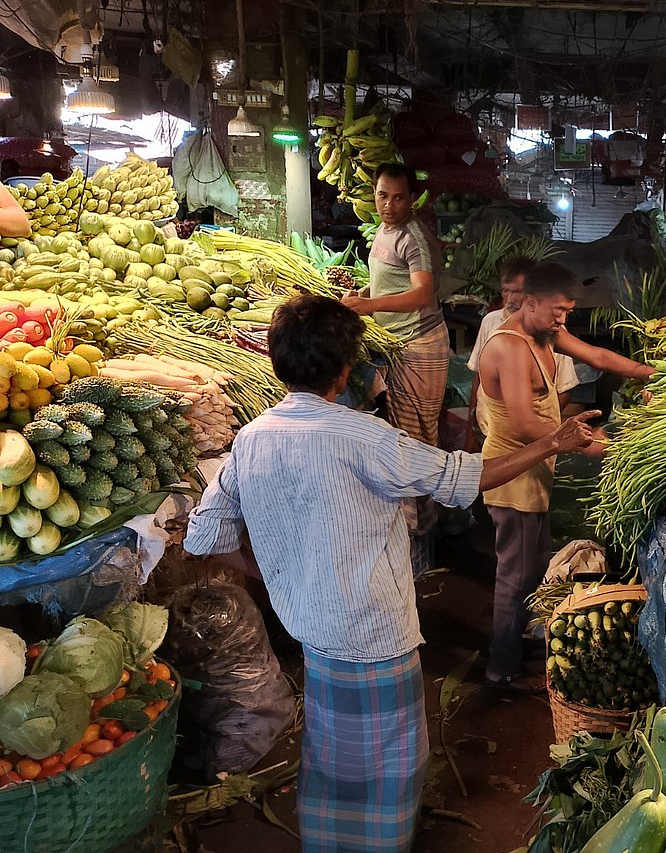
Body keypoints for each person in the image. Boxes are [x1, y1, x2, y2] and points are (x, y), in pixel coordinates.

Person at [183, 294, 598, 853]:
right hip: (373, 631)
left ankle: (328, 842)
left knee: (330, 751)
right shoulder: (363, 437)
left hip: (313, 630)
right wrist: (553, 441)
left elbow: (204, 537)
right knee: (388, 758)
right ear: (344, 370)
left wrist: (280, 573)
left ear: (277, 362)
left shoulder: (251, 440)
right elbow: (460, 476)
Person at [476, 262, 652, 691]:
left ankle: (516, 643)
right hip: (512, 475)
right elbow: (523, 424)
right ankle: (501, 669)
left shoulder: (544, 333)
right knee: (516, 574)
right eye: (557, 310)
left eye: (568, 312)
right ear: (530, 302)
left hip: (536, 470)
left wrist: (657, 374)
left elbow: (599, 357)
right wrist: (590, 444)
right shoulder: (510, 347)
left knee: (533, 565)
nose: (562, 319)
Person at [342, 162, 448, 556]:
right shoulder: (385, 231)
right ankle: (417, 528)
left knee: (417, 438)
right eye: (382, 195)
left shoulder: (413, 236)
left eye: (398, 197)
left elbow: (421, 294)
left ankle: (421, 537)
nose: (388, 205)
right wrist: (364, 293)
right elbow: (392, 282)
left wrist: (368, 306)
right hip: (398, 344)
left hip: (420, 346)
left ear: (412, 199)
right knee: (406, 436)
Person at [465, 256, 579, 450]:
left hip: (530, 439)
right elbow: (478, 376)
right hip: (490, 431)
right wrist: (471, 427)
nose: (509, 299)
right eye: (505, 291)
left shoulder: (552, 331)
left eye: (516, 292)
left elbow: (564, 390)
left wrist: (542, 434)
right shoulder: (491, 322)